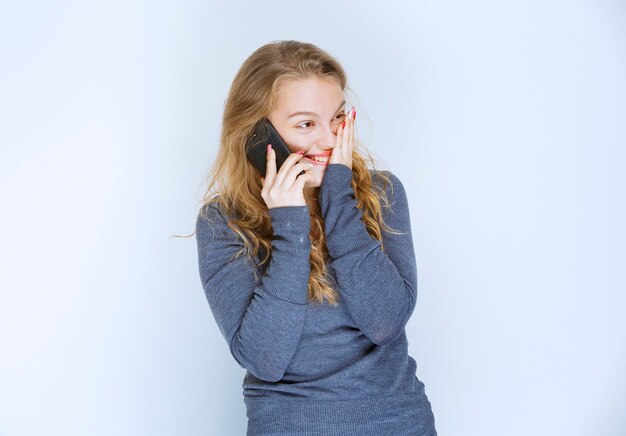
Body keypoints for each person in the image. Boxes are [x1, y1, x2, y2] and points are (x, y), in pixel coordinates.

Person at [195, 40, 437, 435]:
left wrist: (338, 198)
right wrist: (290, 227)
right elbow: (265, 358)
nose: (328, 140)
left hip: (398, 425)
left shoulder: (381, 193)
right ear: (259, 135)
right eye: (306, 124)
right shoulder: (223, 222)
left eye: (338, 119)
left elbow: (385, 322)